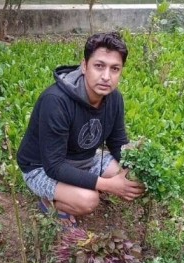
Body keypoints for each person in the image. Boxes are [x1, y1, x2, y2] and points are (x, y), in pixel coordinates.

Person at [17, 32, 145, 227]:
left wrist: (134, 168)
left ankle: (79, 186)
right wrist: (109, 185)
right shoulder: (56, 101)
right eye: (99, 66)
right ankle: (50, 203)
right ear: (84, 66)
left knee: (130, 177)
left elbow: (117, 143)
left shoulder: (114, 98)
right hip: (41, 167)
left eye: (115, 69)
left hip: (83, 159)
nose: (106, 76)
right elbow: (54, 166)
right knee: (89, 200)